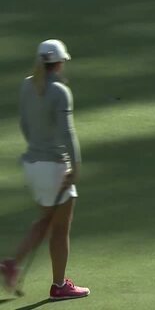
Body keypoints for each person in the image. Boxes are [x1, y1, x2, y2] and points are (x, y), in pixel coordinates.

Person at [0, 39, 90, 299]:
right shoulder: (60, 91)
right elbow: (67, 133)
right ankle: (59, 286)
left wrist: (38, 151)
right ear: (59, 63)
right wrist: (75, 166)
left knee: (46, 220)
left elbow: (25, 125)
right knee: (60, 229)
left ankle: (12, 264)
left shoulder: (28, 84)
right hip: (54, 167)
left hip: (33, 165)